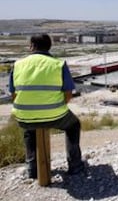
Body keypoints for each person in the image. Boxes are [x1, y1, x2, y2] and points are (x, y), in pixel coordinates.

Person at [9, 34, 85, 178]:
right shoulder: (58, 64)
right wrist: (56, 107)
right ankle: (75, 166)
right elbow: (68, 94)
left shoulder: (18, 64)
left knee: (29, 129)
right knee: (73, 125)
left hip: (25, 116)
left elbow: (13, 95)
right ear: (50, 46)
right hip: (55, 115)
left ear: (31, 46)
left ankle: (32, 169)